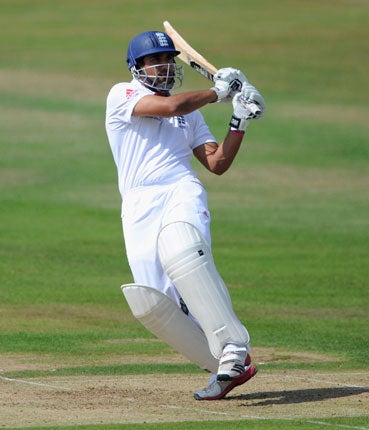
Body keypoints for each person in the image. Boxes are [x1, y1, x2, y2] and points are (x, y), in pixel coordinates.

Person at [105, 30, 265, 400]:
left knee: (181, 251)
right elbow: (172, 107)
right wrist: (219, 93)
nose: (163, 67)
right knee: (158, 303)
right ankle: (230, 368)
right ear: (137, 67)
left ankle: (232, 348)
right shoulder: (123, 94)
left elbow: (217, 163)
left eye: (167, 60)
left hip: (180, 191)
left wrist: (238, 120)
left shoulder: (189, 115)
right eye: (155, 61)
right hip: (138, 204)